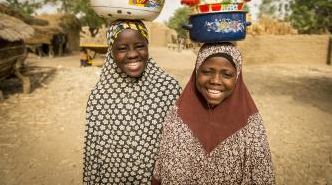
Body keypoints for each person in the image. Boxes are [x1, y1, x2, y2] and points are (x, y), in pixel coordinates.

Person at [152, 42, 275, 184]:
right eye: (207, 72)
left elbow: (261, 177)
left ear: (238, 77)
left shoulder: (250, 123)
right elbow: (162, 170)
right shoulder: (177, 116)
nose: (215, 80)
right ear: (196, 72)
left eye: (226, 74)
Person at [83, 20, 182, 184]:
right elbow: (92, 154)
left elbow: (180, 146)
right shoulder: (99, 97)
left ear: (148, 46)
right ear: (111, 52)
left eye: (139, 46)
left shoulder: (169, 89)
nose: (132, 54)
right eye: (122, 48)